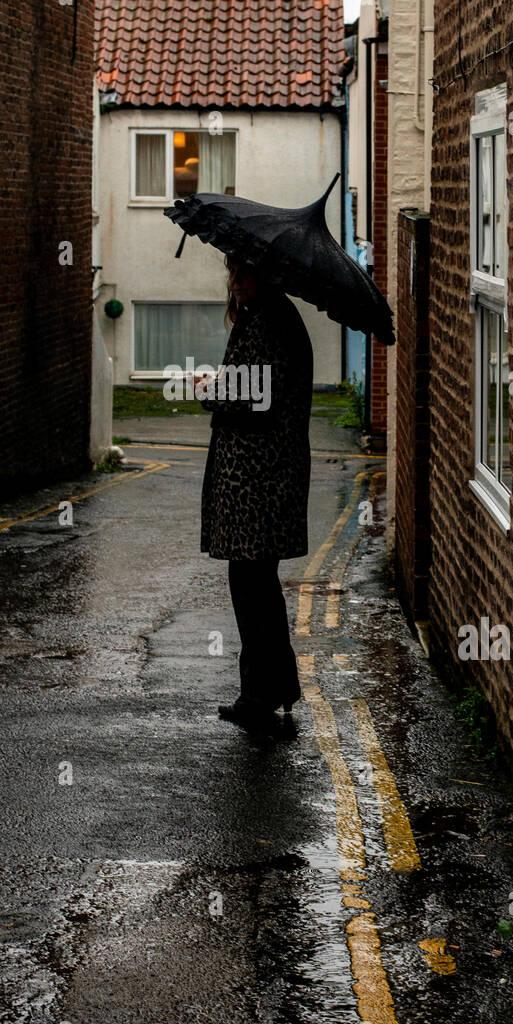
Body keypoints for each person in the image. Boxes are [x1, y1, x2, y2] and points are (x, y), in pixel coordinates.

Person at [196, 255, 313, 730]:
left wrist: (209, 390)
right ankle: (273, 688)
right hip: (262, 478)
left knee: (252, 588)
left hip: (258, 482)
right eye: (231, 270)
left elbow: (255, 398)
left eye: (244, 271)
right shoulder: (266, 318)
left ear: (265, 274)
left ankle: (260, 697)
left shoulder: (267, 322)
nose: (236, 280)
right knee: (257, 587)